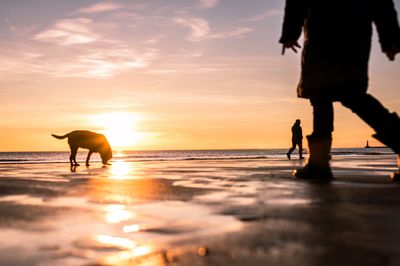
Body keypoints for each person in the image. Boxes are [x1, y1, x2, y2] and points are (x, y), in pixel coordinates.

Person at [279, 0, 400, 180]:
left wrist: (290, 32)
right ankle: (318, 162)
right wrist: (390, 40)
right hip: (353, 31)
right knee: (349, 95)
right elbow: (382, 5)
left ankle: (318, 163)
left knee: (324, 94)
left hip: (324, 29)